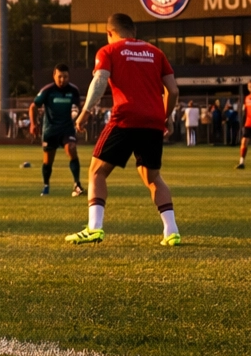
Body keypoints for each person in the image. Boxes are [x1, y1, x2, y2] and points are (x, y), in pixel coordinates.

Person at [66, 13, 181, 246]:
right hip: (152, 122)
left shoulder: (109, 51)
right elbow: (174, 91)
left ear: (109, 33)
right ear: (134, 32)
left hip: (125, 118)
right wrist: (164, 116)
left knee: (97, 171)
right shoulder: (156, 52)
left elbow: (99, 81)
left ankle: (94, 228)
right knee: (153, 177)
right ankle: (171, 231)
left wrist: (85, 112)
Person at [29, 64, 85, 197]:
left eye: (65, 77)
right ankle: (46, 185)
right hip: (50, 130)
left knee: (71, 149)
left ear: (68, 76)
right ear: (54, 76)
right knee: (48, 160)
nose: (62, 80)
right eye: (59, 76)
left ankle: (77, 184)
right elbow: (33, 106)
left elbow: (79, 107)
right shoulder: (47, 90)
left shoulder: (74, 90)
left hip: (67, 129)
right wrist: (33, 124)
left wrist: (80, 120)